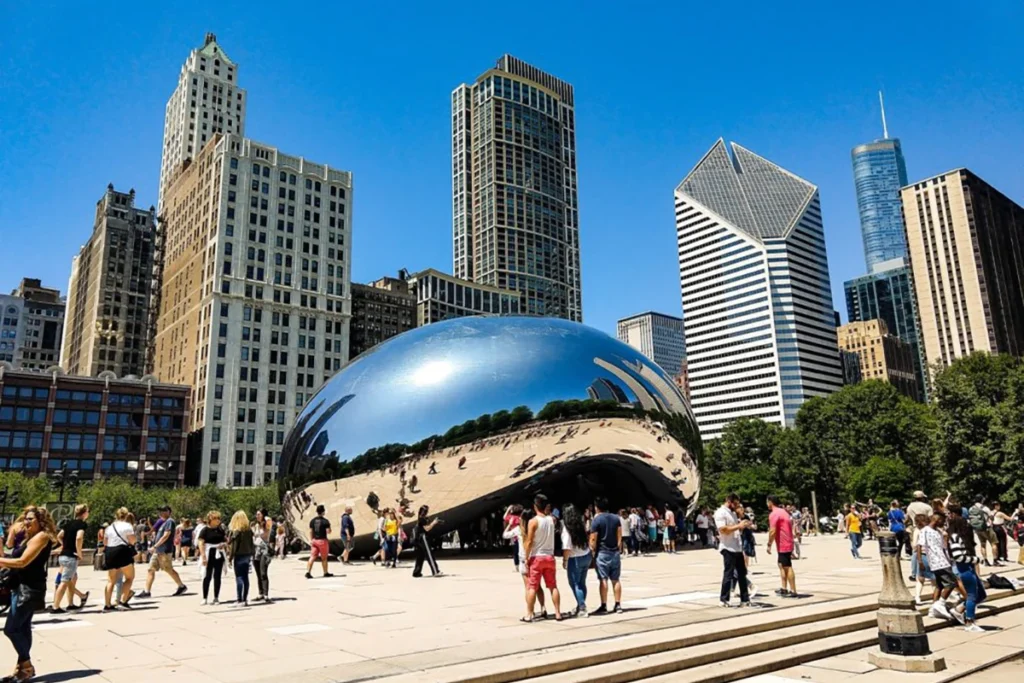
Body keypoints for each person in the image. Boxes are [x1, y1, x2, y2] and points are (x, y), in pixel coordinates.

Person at [0, 506, 57, 682]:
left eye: (31, 519)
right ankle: (22, 670)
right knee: (23, 628)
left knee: (11, 629)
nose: (26, 522)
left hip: (29, 588)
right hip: (21, 586)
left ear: (42, 521)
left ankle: (26, 665)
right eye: (25, 518)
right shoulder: (30, 537)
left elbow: (22, 561)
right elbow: (14, 555)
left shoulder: (42, 537)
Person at [522, 494, 562, 622]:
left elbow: (529, 541)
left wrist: (526, 557)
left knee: (532, 586)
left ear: (535, 506)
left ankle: (529, 613)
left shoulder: (533, 521)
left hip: (537, 556)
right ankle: (557, 612)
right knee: (553, 586)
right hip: (549, 556)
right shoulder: (552, 520)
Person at [917, 511, 962, 621]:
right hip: (937, 561)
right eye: (942, 520)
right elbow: (919, 546)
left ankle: (933, 608)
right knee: (952, 583)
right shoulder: (925, 531)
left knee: (939, 585)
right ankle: (940, 604)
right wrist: (920, 561)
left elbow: (943, 547)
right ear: (936, 520)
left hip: (943, 560)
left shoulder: (938, 531)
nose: (943, 522)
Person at [948, 503, 986, 632]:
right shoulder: (955, 537)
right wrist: (975, 560)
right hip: (964, 568)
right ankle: (970, 622)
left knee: (981, 594)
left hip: (968, 567)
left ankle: (959, 610)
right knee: (972, 595)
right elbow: (958, 556)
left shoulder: (961, 537)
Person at [137, 506, 187, 599]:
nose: (161, 513)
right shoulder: (163, 522)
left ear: (168, 512)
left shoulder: (170, 521)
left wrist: (155, 546)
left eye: (163, 511)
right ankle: (147, 591)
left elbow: (166, 535)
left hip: (164, 550)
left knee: (168, 569)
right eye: (160, 511)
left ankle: (181, 586)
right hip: (158, 551)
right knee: (150, 569)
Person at [504, 509, 546, 617]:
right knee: (538, 586)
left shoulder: (519, 529)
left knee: (528, 587)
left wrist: (509, 525)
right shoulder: (536, 527)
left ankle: (530, 611)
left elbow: (505, 535)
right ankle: (543, 607)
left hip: (524, 559)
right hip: (535, 558)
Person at [715, 493, 752, 608]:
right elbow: (723, 529)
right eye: (735, 503)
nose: (737, 506)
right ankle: (724, 599)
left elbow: (736, 529)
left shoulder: (733, 513)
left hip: (737, 547)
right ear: (729, 502)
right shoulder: (720, 513)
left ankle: (745, 599)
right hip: (727, 547)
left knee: (742, 574)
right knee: (729, 573)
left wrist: (743, 525)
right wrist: (738, 526)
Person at [51, 504, 90, 613]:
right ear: (84, 513)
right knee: (64, 581)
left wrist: (65, 544)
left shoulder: (68, 523)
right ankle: (56, 606)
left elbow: (59, 535)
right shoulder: (82, 524)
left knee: (71, 579)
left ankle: (71, 603)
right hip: (71, 556)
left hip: (63, 555)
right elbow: (79, 537)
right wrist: (79, 553)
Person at [589, 498, 623, 615]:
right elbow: (619, 534)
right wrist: (618, 548)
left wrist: (592, 550)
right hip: (615, 552)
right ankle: (618, 604)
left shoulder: (596, 520)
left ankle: (604, 605)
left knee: (603, 579)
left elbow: (593, 538)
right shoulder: (616, 518)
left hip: (602, 552)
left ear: (596, 507)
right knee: (616, 580)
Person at [103, 507, 137, 611]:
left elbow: (105, 542)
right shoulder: (128, 526)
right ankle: (123, 600)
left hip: (110, 551)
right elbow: (132, 541)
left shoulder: (109, 527)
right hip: (122, 551)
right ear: (126, 515)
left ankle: (107, 605)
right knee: (129, 577)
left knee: (111, 580)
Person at [561, 504, 591, 617]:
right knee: (582, 582)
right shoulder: (580, 525)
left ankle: (582, 607)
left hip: (575, 558)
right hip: (586, 555)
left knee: (575, 584)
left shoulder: (567, 528)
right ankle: (580, 605)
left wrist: (565, 560)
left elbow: (567, 547)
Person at [766, 496, 797, 598]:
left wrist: (769, 544)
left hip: (783, 543)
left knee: (787, 566)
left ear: (770, 502)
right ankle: (784, 588)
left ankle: (793, 590)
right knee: (781, 565)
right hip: (787, 542)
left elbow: (772, 531)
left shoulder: (774, 514)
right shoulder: (784, 512)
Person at [198, 511, 227, 605]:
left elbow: (225, 540)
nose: (218, 520)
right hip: (209, 553)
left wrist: (224, 545)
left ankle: (216, 597)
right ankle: (205, 597)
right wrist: (203, 556)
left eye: (219, 518)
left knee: (217, 576)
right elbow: (201, 543)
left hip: (219, 553)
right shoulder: (205, 530)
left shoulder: (220, 530)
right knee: (207, 576)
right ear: (210, 519)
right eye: (216, 518)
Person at [227, 511, 254, 607]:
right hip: (247, 554)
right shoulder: (249, 531)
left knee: (239, 577)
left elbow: (234, 547)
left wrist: (230, 558)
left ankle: (239, 599)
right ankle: (245, 599)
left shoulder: (236, 531)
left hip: (239, 555)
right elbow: (252, 544)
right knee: (245, 577)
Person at [411, 505, 443, 577]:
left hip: (418, 539)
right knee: (429, 554)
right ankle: (435, 571)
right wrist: (434, 523)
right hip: (423, 538)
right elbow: (427, 529)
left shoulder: (421, 518)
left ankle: (416, 572)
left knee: (420, 556)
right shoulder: (422, 519)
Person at [968, 496, 999, 567]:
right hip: (987, 528)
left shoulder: (971, 508)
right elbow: (991, 517)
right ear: (981, 500)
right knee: (994, 543)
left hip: (977, 529)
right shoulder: (985, 508)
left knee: (983, 544)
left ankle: (986, 561)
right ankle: (995, 560)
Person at [305, 504, 333, 579]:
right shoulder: (325, 521)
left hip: (314, 541)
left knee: (312, 556)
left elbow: (310, 531)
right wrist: (329, 529)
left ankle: (308, 572)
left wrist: (311, 540)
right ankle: (325, 572)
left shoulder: (312, 521)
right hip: (322, 541)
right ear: (323, 512)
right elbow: (328, 531)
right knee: (324, 558)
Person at [252, 510, 273, 601]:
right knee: (258, 573)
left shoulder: (267, 524)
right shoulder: (256, 526)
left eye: (259, 514)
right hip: (256, 550)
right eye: (256, 514)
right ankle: (260, 593)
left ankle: (265, 594)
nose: (257, 516)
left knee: (263, 572)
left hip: (264, 550)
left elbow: (269, 521)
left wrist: (265, 519)